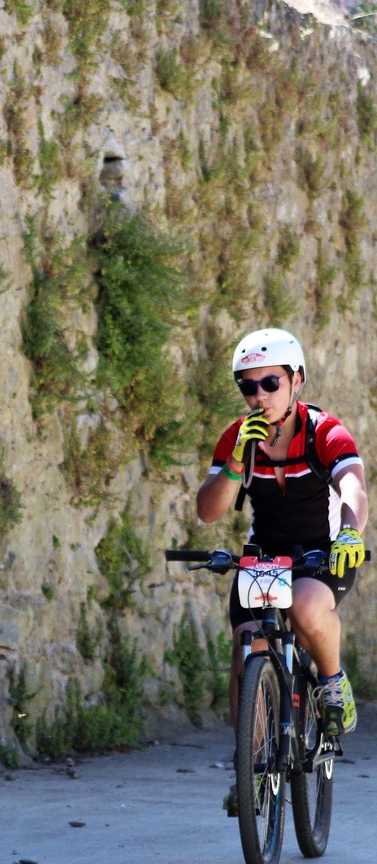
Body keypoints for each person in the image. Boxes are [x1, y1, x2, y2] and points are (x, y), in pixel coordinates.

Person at [195, 327, 367, 812]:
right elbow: (208, 512)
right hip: (265, 556)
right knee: (247, 643)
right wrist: (235, 462)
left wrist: (351, 532)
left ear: (297, 381)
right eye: (248, 386)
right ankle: (249, 768)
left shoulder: (324, 432)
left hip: (321, 554)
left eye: (270, 383)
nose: (259, 396)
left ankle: (332, 684)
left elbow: (353, 486)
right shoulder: (238, 438)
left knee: (308, 606)